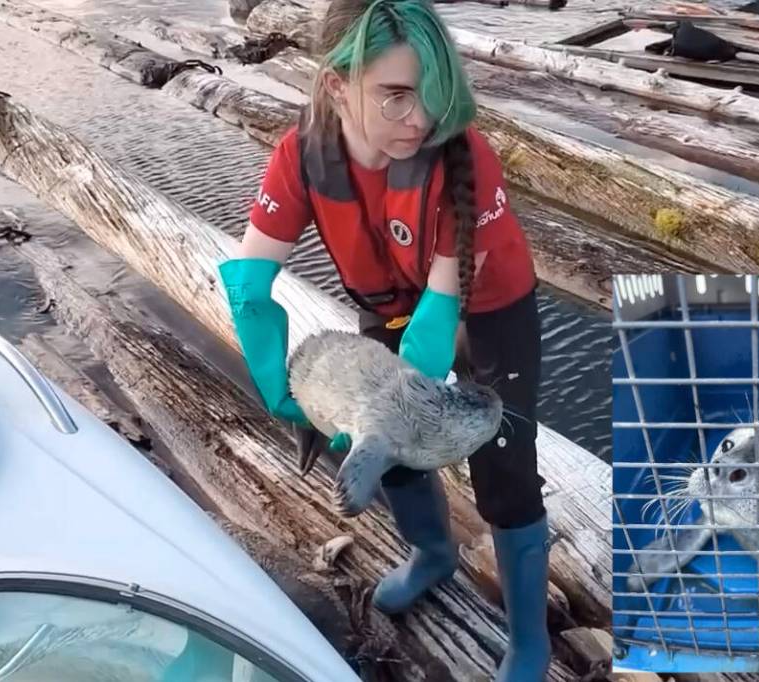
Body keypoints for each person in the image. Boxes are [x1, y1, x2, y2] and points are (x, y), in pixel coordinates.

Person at [217, 0, 550, 678]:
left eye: (429, 94)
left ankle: (529, 639)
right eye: (394, 95)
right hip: (391, 305)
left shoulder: (464, 158)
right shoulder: (302, 155)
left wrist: (382, 417)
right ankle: (433, 554)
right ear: (338, 86)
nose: (419, 118)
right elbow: (251, 284)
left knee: (503, 465)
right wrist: (279, 383)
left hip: (483, 308)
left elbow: (436, 327)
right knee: (394, 458)